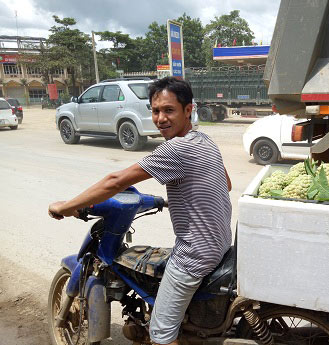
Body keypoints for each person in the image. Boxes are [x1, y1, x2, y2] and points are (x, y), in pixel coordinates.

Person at [48, 76, 232, 345]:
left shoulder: (176, 148)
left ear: (188, 110)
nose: (160, 118)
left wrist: (66, 207)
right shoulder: (203, 139)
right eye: (155, 111)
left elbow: (115, 181)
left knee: (161, 335)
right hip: (219, 244)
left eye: (169, 110)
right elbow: (225, 183)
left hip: (195, 254)